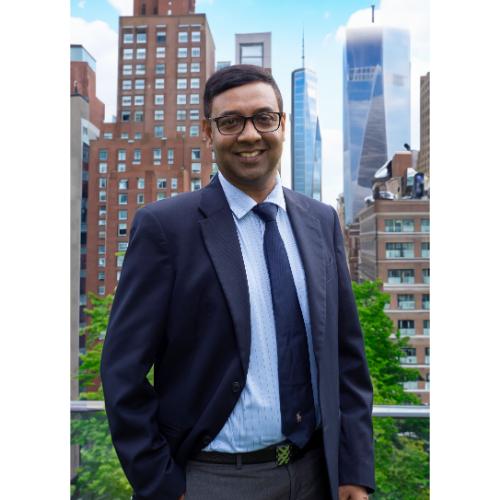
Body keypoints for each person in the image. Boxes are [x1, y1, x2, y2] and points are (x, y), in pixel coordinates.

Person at [101, 64, 375, 500]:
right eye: (230, 122)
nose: (250, 135)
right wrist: (162, 484)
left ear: (282, 125)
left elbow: (347, 359)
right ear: (208, 132)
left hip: (317, 474)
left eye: (263, 118)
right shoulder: (165, 228)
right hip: (212, 480)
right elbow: (122, 371)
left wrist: (354, 469)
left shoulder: (321, 221)